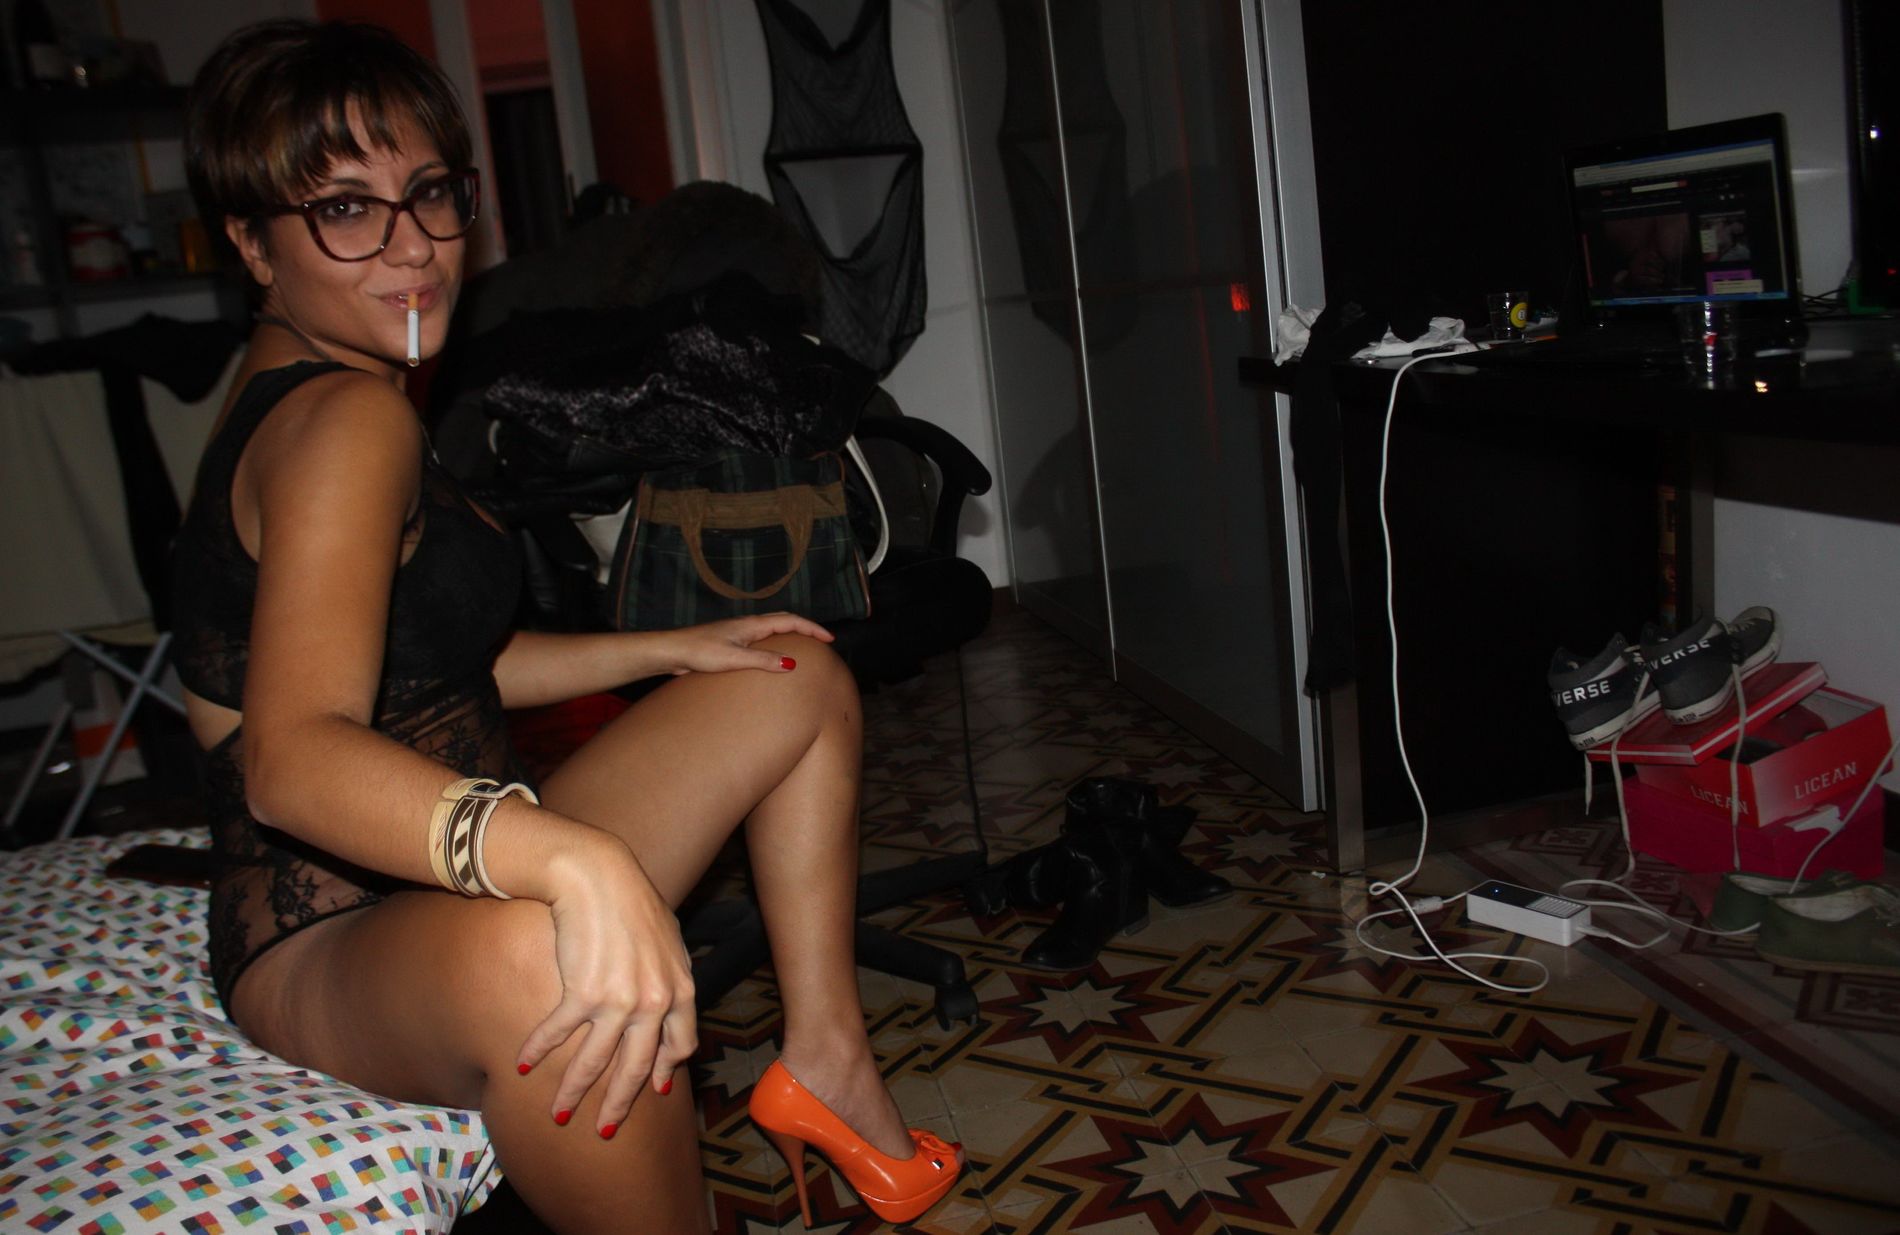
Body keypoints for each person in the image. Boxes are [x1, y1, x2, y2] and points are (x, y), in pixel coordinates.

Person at [172, 20, 960, 1233]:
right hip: (329, 932)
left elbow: (427, 663)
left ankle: (825, 1059)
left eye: (431, 193)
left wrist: (668, 649)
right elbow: (291, 759)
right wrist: (572, 860)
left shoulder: (344, 384)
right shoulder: (344, 423)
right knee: (548, 945)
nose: (413, 246)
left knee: (788, 673)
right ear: (250, 242)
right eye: (345, 210)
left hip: (434, 865)